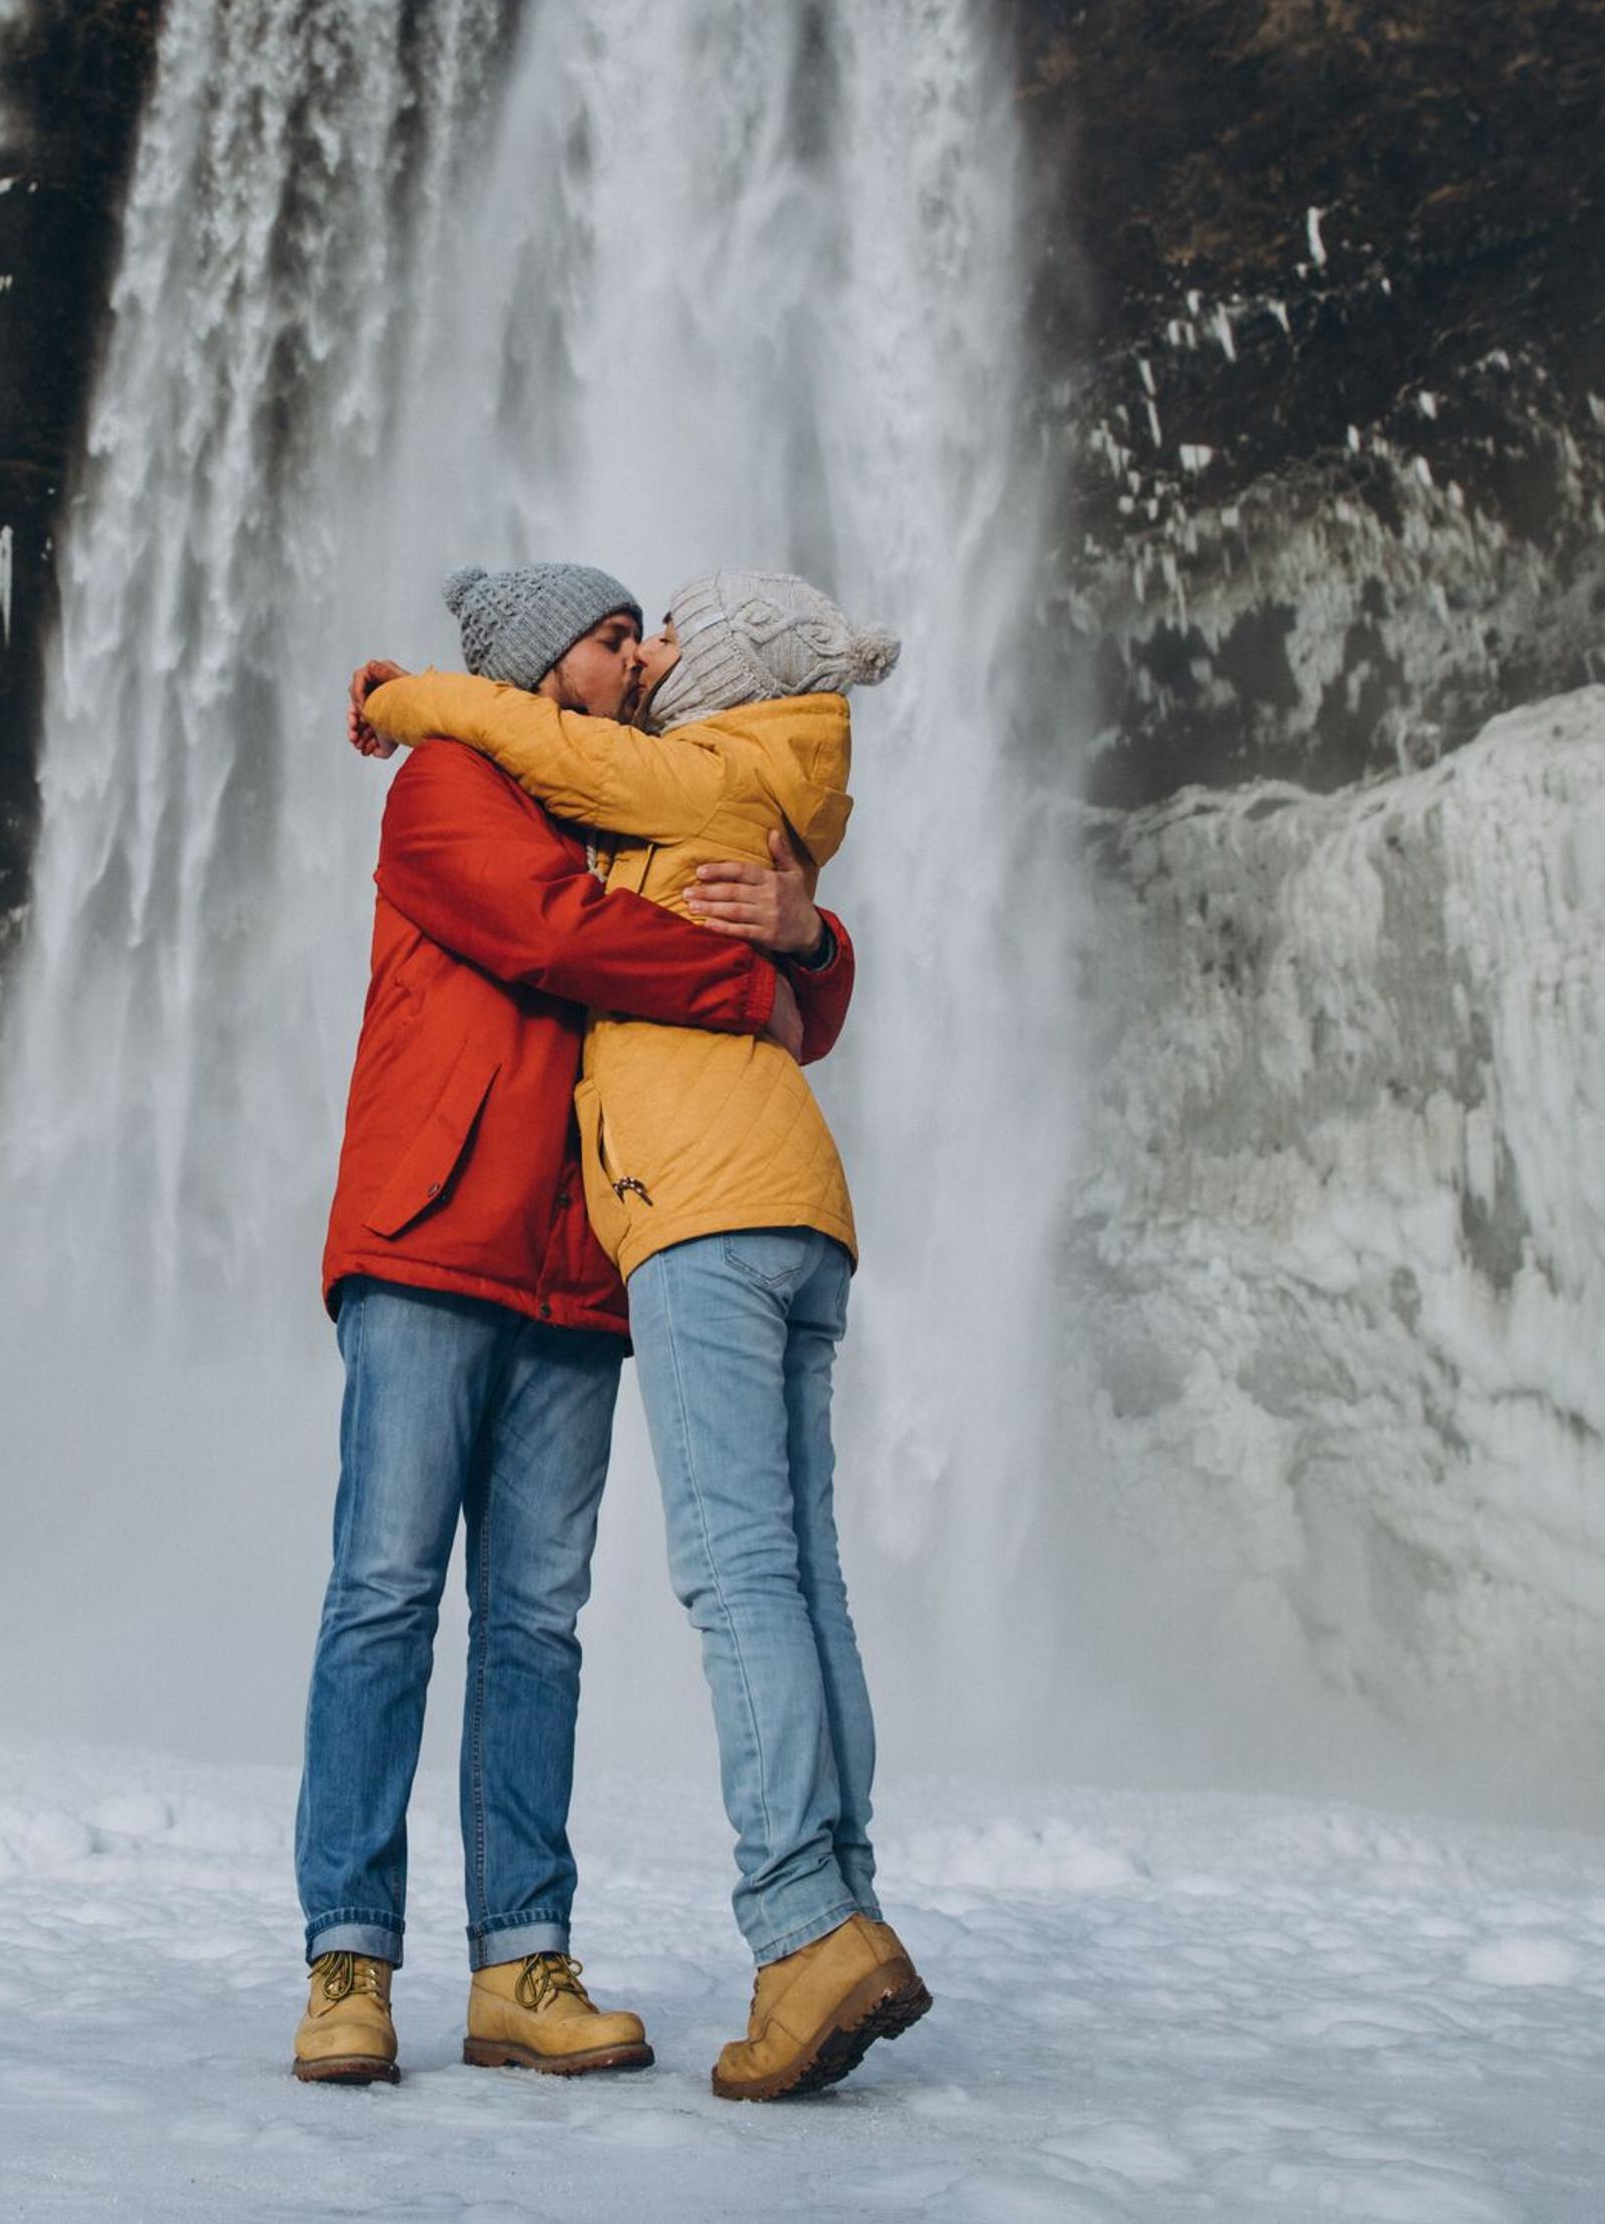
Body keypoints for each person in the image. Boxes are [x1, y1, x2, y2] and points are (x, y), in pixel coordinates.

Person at [350, 568, 919, 2103]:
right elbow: (559, 927)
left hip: (645, 1234)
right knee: (408, 1594)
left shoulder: (659, 784)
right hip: (558, 1221)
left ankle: (749, 1926)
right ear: (554, 668)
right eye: (619, 637)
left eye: (659, 637)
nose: (645, 658)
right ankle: (357, 1958)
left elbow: (648, 902)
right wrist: (784, 957)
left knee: (660, 1589)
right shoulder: (509, 790)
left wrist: (804, 943)